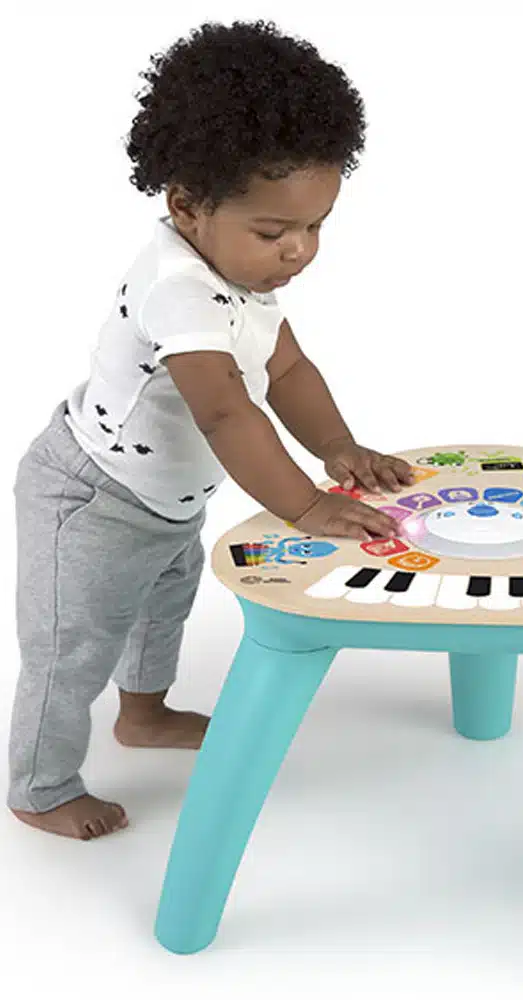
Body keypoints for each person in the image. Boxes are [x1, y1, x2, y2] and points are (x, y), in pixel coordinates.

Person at [8, 18, 414, 841]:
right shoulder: (180, 290)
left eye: (315, 226)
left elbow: (286, 371)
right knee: (72, 648)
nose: (298, 251)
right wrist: (307, 505)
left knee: (162, 609)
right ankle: (40, 787)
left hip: (168, 501)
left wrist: (337, 448)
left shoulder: (241, 274)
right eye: (274, 232)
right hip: (91, 500)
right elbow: (227, 409)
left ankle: (144, 715)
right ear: (187, 206)